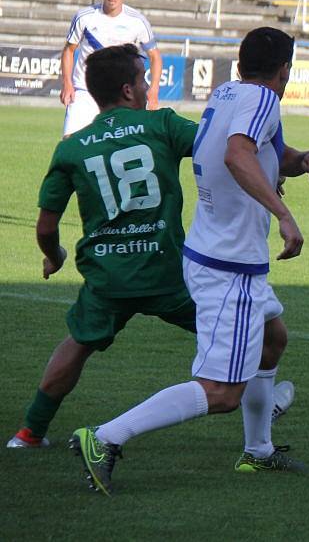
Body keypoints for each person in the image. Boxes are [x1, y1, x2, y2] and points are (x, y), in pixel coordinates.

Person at [70, 27, 309, 495]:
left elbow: (261, 152)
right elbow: (237, 155)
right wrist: (284, 215)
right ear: (285, 70)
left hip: (210, 251)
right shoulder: (264, 101)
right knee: (222, 393)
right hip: (232, 266)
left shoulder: (228, 93)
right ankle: (105, 437)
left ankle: (259, 451)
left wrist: (304, 158)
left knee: (273, 339)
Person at [7, 44, 197, 449]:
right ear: (129, 90)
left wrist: (53, 254)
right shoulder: (162, 125)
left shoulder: (73, 146)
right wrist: (290, 164)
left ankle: (29, 433)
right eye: (144, 79)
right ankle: (258, 409)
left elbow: (46, 225)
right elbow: (224, 150)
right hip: (169, 274)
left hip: (108, 279)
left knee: (77, 344)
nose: (148, 87)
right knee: (248, 329)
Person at [60, 0, 162, 137]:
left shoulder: (137, 22)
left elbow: (155, 56)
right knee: (70, 141)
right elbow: (69, 51)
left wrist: (154, 88)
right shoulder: (84, 17)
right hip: (85, 91)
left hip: (121, 97)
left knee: (120, 146)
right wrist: (67, 83)